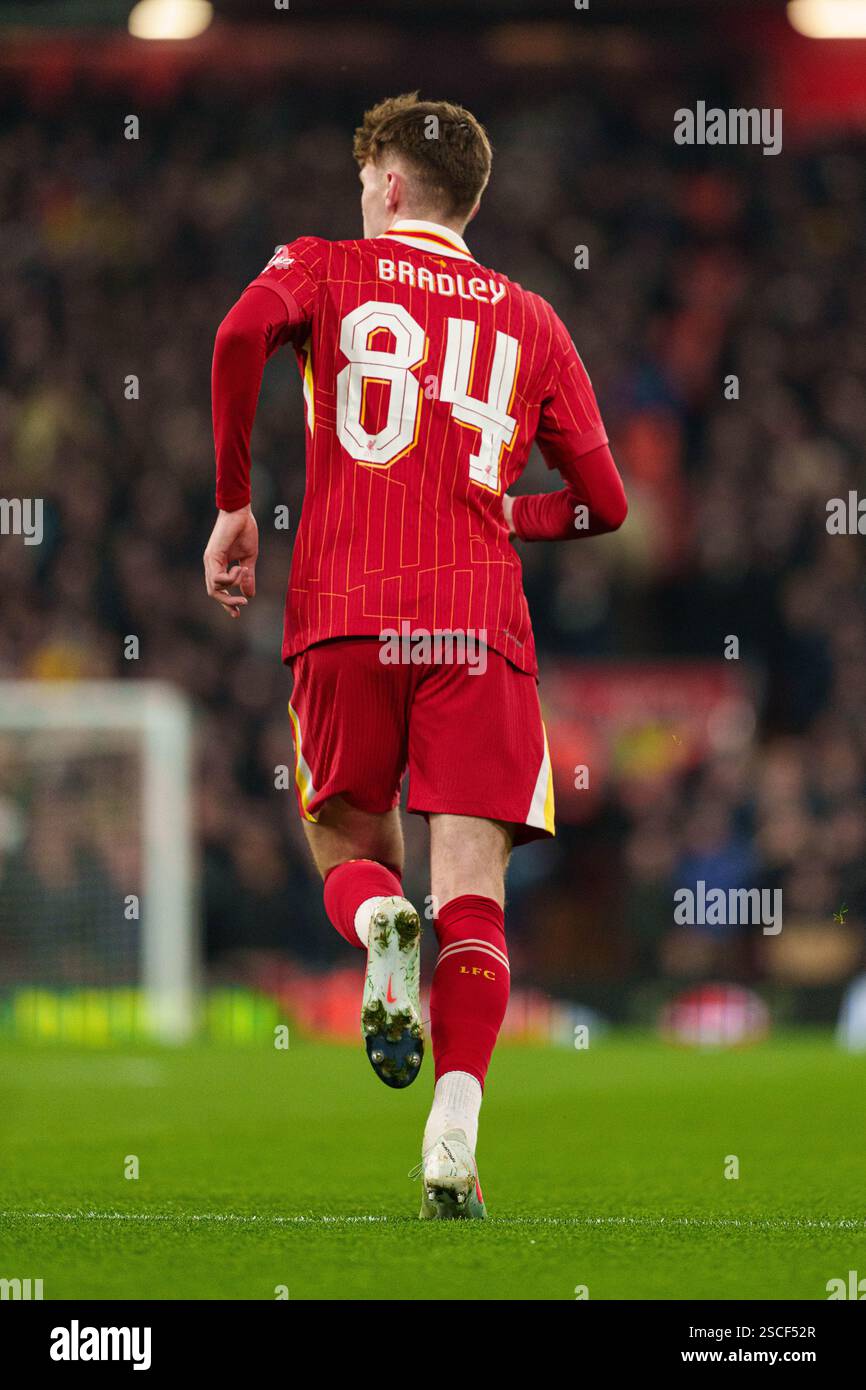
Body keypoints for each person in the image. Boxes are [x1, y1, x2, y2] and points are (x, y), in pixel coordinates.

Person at [206, 92, 627, 1219]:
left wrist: (235, 505)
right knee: (473, 893)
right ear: (470, 199)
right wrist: (504, 516)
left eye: (363, 179)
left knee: (346, 841)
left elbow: (238, 334)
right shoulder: (530, 318)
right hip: (476, 625)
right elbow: (605, 502)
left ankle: (373, 925)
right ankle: (453, 1128)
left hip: (343, 608)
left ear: (388, 184)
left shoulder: (321, 264)